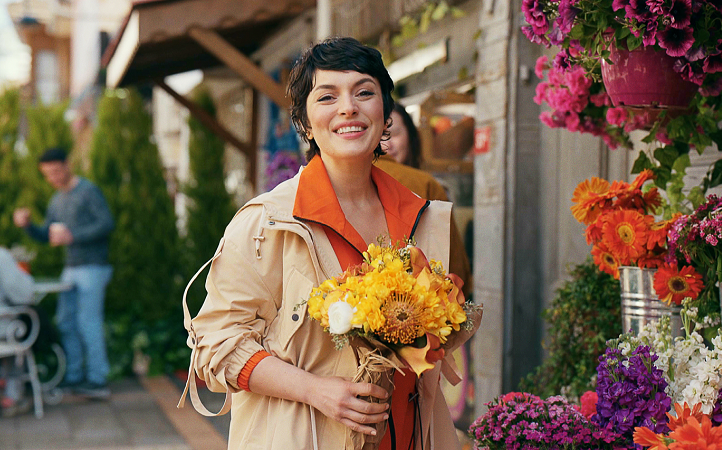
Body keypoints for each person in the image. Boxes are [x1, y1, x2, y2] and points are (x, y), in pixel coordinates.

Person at [181, 37, 480, 449]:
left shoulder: (422, 215)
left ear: (386, 114)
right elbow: (214, 345)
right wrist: (314, 390)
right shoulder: (267, 222)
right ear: (303, 122)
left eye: (364, 93)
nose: (348, 108)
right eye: (327, 96)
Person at [13, 147, 114, 399]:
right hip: (70, 269)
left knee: (88, 323)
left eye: (56, 171)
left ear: (68, 165)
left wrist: (74, 236)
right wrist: (27, 226)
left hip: (93, 267)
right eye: (48, 174)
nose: (54, 178)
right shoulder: (56, 200)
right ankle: (74, 377)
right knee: (66, 322)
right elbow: (48, 235)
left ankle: (97, 380)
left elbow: (106, 223)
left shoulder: (88, 191)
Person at [376, 103, 473, 295]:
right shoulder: (426, 185)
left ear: (411, 137)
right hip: (424, 308)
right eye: (378, 136)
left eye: (392, 134)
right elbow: (455, 269)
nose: (386, 144)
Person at [0, 246, 36, 416]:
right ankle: (12, 396)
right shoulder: (2, 257)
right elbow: (24, 294)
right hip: (4, 331)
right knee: (18, 329)